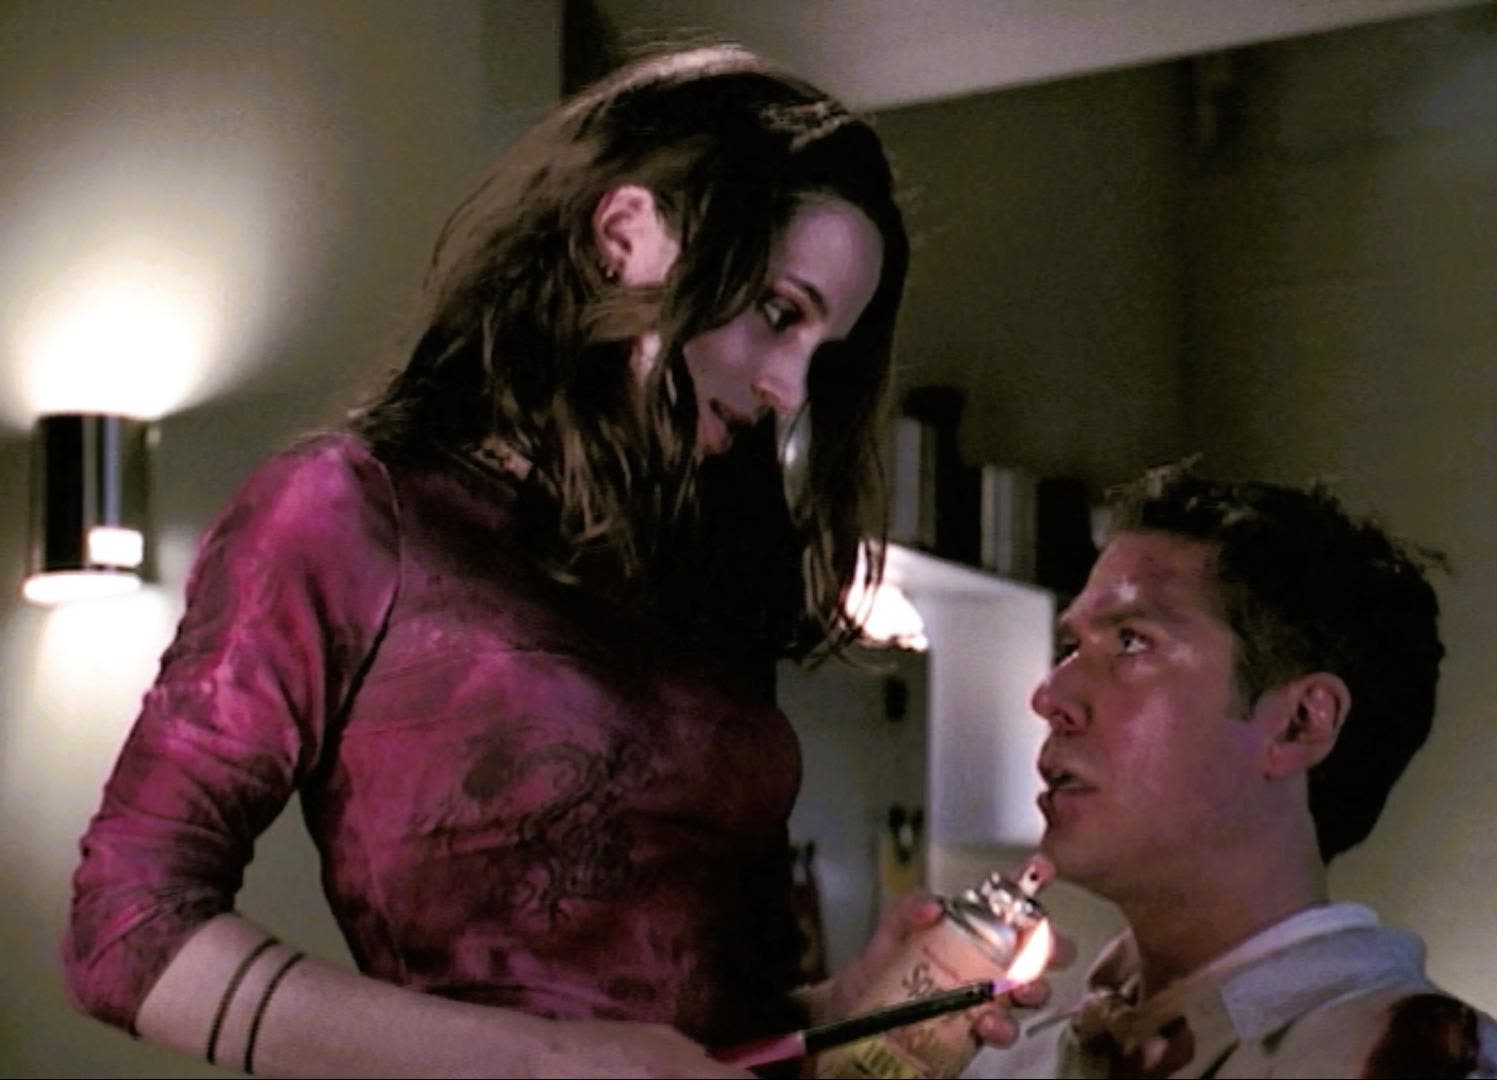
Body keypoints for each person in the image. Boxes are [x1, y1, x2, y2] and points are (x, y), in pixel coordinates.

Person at [62, 40, 1043, 1078]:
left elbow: (682, 1037)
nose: (791, 390)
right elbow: (124, 930)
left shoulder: (699, 573)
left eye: (821, 350)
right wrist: (540, 1062)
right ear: (626, 236)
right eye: (777, 313)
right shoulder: (350, 513)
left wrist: (839, 1010)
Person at [965, 462, 1497, 1078]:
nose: (1049, 695)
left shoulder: (1420, 1062)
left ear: (1299, 723)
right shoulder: (1002, 1062)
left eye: (1132, 642)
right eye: (1069, 648)